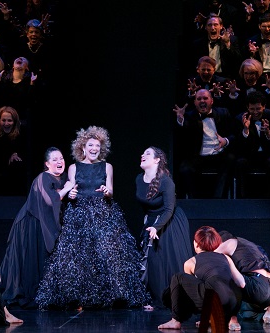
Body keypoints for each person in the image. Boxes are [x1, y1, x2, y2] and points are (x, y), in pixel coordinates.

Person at [35, 125, 150, 309]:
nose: (94, 149)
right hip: (79, 212)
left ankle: (115, 296)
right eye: (90, 145)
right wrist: (71, 194)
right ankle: (76, 297)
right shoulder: (73, 167)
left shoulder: (107, 166)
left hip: (103, 211)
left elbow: (111, 190)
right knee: (78, 256)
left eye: (97, 145)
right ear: (83, 147)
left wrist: (107, 192)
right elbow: (71, 187)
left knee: (109, 254)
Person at [0, 147, 74, 309]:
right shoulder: (43, 177)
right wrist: (68, 189)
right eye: (54, 159)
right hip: (31, 223)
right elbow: (49, 200)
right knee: (34, 257)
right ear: (47, 164)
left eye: (61, 158)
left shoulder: (64, 178)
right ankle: (33, 294)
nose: (59, 162)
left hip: (46, 223)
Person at [136, 146, 193, 308]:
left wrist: (157, 227)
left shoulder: (166, 182)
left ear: (157, 160)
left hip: (170, 221)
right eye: (143, 152)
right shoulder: (139, 179)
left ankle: (174, 299)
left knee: (166, 259)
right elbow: (145, 205)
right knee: (153, 262)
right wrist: (149, 222)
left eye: (147, 153)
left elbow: (169, 209)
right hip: (153, 221)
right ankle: (156, 298)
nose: (143, 155)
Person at [158, 225, 245, 331]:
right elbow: (241, 283)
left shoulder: (191, 262)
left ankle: (175, 321)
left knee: (177, 278)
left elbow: (188, 295)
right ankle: (233, 319)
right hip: (231, 304)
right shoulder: (225, 258)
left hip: (213, 302)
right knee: (230, 283)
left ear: (196, 244)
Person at [173, 89, 236, 198]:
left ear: (211, 101)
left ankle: (219, 200)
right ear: (195, 102)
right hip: (199, 156)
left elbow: (234, 133)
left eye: (205, 98)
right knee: (185, 168)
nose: (202, 101)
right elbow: (184, 129)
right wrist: (180, 119)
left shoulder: (223, 113)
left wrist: (225, 141)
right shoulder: (189, 116)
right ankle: (196, 201)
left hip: (219, 154)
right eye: (199, 99)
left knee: (230, 159)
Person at [216, 230, 270, 326]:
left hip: (257, 288)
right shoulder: (250, 246)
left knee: (226, 276)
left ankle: (233, 319)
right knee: (246, 313)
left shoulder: (228, 243)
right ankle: (269, 311)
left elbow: (209, 257)